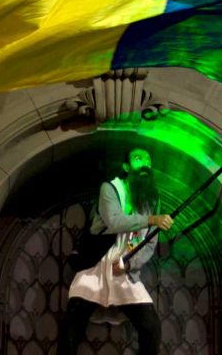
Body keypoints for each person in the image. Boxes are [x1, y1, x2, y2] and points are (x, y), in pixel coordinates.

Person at [59, 148, 174, 355]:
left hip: (124, 268)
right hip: (96, 264)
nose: (145, 163)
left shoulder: (153, 198)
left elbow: (150, 242)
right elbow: (114, 221)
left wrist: (130, 263)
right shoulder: (110, 188)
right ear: (126, 167)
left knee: (151, 327)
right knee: (72, 325)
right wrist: (152, 219)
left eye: (148, 159)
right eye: (138, 159)